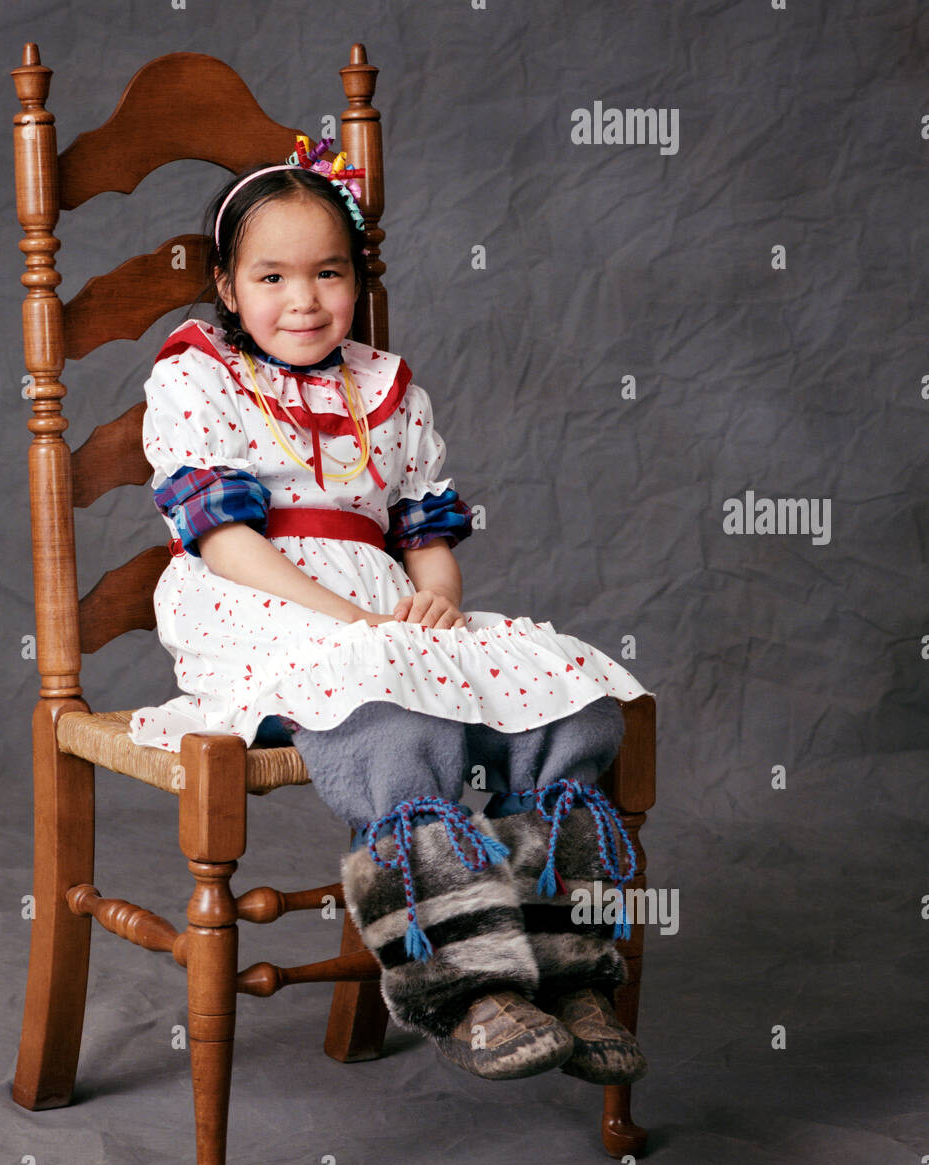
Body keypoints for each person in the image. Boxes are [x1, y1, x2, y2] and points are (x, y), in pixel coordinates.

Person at [130, 134, 655, 1084]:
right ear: (225, 283)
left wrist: (436, 602)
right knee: (398, 718)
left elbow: (422, 527)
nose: (304, 300)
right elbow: (223, 540)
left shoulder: (384, 387)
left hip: (384, 610)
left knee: (566, 704)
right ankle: (465, 980)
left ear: (357, 275)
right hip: (259, 601)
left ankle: (565, 965)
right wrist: (347, 619)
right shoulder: (197, 374)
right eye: (273, 276)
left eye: (328, 273)